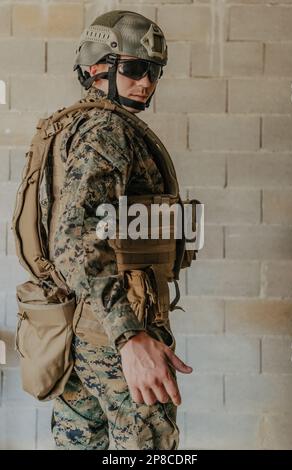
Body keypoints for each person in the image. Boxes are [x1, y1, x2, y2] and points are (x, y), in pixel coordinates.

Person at [48, 10, 193, 450]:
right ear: (96, 67)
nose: (146, 81)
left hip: (80, 328)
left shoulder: (70, 124)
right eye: (133, 68)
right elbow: (73, 238)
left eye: (154, 71)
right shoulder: (106, 130)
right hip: (115, 333)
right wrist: (131, 339)